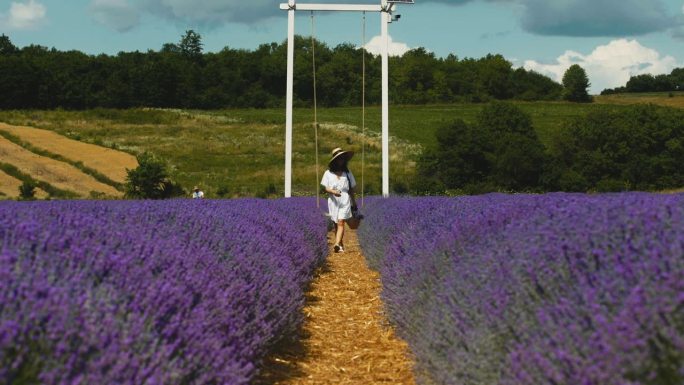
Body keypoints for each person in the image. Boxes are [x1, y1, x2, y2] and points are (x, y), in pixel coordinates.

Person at [320, 147, 357, 253]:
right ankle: (340, 244)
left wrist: (354, 203)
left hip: (345, 199)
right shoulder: (328, 173)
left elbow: (351, 189)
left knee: (341, 222)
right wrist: (333, 191)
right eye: (339, 158)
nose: (341, 160)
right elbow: (325, 187)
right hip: (333, 200)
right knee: (336, 223)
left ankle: (336, 244)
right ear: (335, 160)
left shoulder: (348, 173)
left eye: (342, 158)